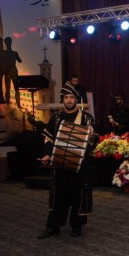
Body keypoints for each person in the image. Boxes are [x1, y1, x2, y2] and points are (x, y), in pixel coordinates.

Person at [37, 81, 96, 239]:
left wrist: (91, 135)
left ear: (76, 99)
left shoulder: (86, 118)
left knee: (78, 195)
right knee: (58, 195)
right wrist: (47, 154)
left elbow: (93, 140)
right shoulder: (56, 118)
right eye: (66, 97)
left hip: (79, 164)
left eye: (71, 97)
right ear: (63, 99)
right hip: (59, 164)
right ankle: (53, 226)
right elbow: (48, 138)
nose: (69, 100)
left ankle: (76, 226)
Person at [2, 37, 22, 108]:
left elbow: (19, 60)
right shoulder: (14, 53)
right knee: (14, 89)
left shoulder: (4, 53)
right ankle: (16, 105)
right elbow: (20, 60)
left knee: (10, 89)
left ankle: (11, 105)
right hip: (12, 71)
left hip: (9, 71)